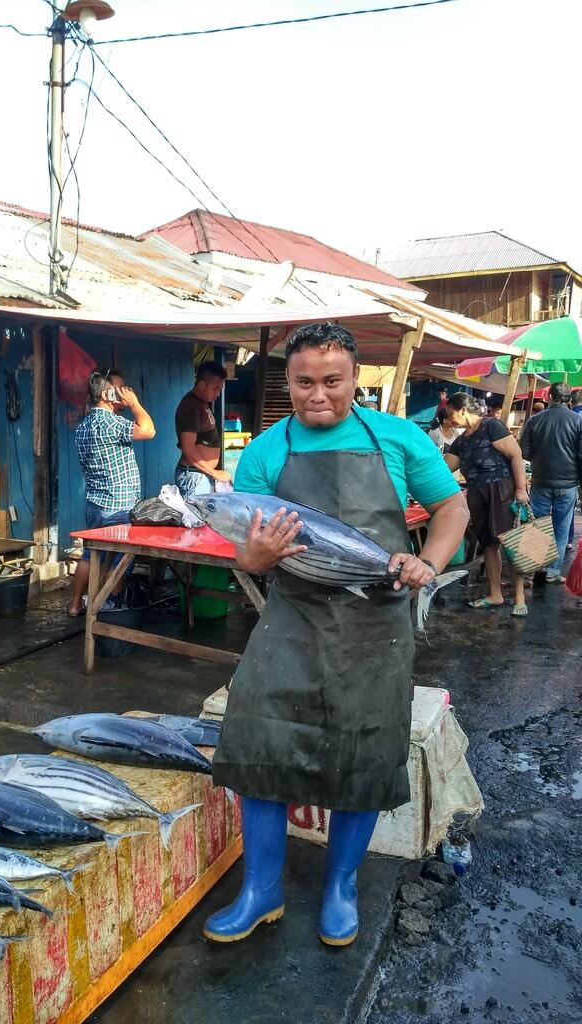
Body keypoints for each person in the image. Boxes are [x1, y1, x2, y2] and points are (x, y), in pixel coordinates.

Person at [204, 321, 468, 948]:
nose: (317, 394)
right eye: (303, 382)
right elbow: (247, 555)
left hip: (378, 621)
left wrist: (427, 563)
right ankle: (261, 890)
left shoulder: (399, 438)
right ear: (287, 381)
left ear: (355, 379)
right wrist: (259, 556)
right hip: (292, 617)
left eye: (332, 380)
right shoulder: (266, 451)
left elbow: (451, 509)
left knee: (364, 751)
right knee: (257, 742)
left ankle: (340, 887)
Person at [68, 368, 155, 616]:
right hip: (119, 505)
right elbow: (148, 430)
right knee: (119, 559)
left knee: (90, 553)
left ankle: (75, 604)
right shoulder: (111, 423)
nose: (126, 393)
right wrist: (135, 404)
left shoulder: (83, 427)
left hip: (95, 502)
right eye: (121, 389)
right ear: (107, 394)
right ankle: (111, 607)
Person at [445, 393, 529, 615]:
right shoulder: (461, 441)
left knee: (510, 543)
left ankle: (519, 597)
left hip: (501, 490)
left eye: (450, 413)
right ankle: (495, 594)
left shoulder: (491, 426)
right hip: (476, 494)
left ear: (463, 409)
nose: (448, 419)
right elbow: (444, 470)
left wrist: (520, 489)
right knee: (488, 543)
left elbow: (516, 455)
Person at [519, 382, 582, 583]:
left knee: (537, 526)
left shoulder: (534, 420)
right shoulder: (577, 421)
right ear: (569, 400)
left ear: (548, 397)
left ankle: (534, 568)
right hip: (569, 483)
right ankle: (553, 572)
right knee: (561, 529)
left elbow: (524, 452)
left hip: (540, 481)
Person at [174, 361, 230, 497]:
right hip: (193, 476)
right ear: (202, 385)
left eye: (220, 389)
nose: (218, 394)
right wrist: (215, 473)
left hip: (200, 474)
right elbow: (188, 449)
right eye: (215, 389)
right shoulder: (190, 406)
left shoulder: (201, 403)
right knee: (195, 518)